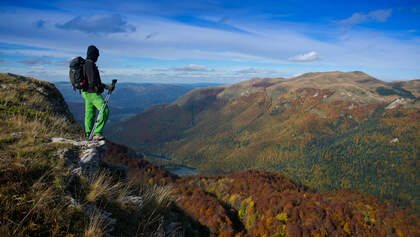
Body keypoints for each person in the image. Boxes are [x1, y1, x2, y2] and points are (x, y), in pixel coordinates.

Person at [82, 45, 113, 140]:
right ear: (93, 55)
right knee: (105, 110)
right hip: (92, 93)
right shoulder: (90, 64)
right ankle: (97, 133)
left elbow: (89, 81)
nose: (97, 58)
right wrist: (102, 87)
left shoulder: (84, 63)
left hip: (85, 92)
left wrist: (105, 86)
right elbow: (93, 81)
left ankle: (88, 133)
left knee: (89, 113)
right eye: (97, 55)